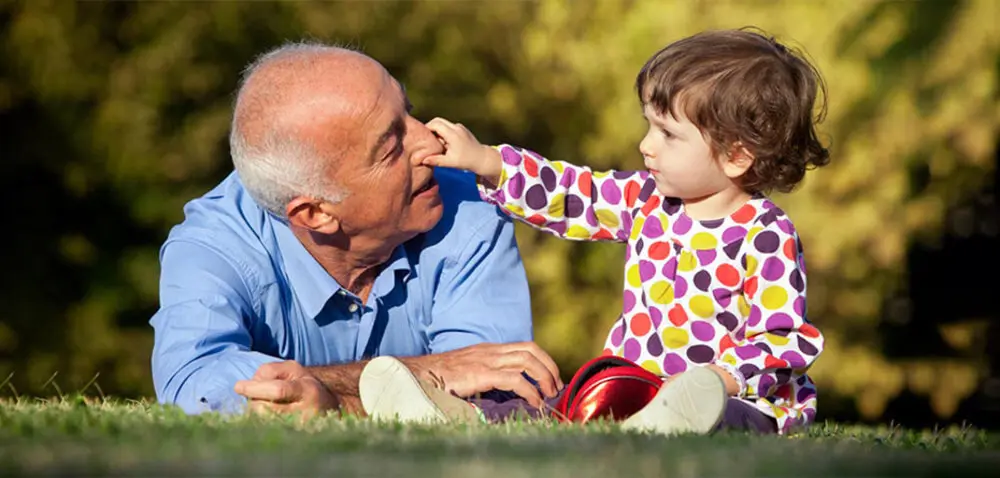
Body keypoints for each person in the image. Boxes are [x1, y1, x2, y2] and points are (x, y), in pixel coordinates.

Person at [365, 27, 830, 436]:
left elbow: (783, 339)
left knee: (724, 419)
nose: (645, 146)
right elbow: (573, 195)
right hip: (633, 388)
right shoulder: (648, 201)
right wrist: (489, 163)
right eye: (649, 126)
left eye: (668, 134)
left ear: (736, 155)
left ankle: (678, 420)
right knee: (553, 405)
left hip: (739, 401)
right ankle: (449, 413)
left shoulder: (765, 234)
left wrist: (719, 380)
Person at [148, 42, 565, 419]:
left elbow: (497, 395)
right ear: (315, 213)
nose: (433, 144)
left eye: (410, 111)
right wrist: (424, 373)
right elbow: (196, 388)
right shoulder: (214, 245)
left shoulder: (470, 204)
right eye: (390, 148)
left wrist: (330, 397)